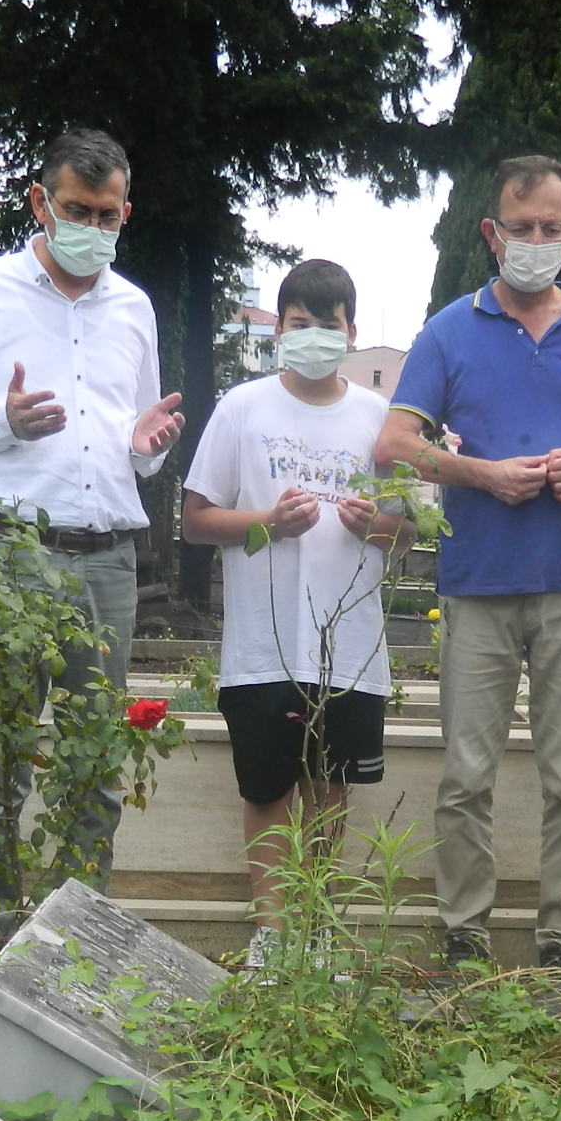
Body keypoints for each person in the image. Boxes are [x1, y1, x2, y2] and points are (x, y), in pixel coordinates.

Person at [0, 127, 187, 922]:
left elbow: (142, 445)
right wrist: (3, 423)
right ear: (39, 202)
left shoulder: (134, 307)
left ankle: (78, 936)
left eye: (108, 215)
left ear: (125, 212)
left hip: (107, 562)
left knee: (94, 764)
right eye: (76, 210)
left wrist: (146, 446)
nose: (92, 229)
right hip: (5, 555)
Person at [376, 155, 561, 969]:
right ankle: (463, 932)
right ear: (492, 234)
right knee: (466, 774)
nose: (536, 241)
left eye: (550, 228)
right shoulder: (448, 331)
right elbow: (394, 443)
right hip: (478, 582)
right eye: (520, 228)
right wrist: (479, 473)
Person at [180, 260, 406, 969]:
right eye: (299, 324)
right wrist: (268, 525)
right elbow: (196, 521)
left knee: (330, 790)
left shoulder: (379, 422)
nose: (312, 337)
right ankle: (273, 936)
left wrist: (380, 524)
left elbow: (408, 532)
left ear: (352, 332)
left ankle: (317, 932)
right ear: (279, 329)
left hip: (350, 647)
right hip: (263, 645)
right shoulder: (242, 409)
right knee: (269, 789)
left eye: (327, 325)